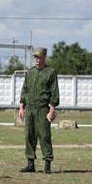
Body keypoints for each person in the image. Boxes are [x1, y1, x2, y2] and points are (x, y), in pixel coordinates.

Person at [18, 47, 60, 175]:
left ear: (44, 57)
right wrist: (21, 106)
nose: (37, 59)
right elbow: (25, 90)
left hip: (42, 108)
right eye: (35, 57)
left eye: (39, 57)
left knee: (44, 136)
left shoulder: (50, 72)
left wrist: (52, 110)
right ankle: (30, 164)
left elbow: (54, 92)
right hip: (30, 108)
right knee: (29, 135)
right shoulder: (30, 72)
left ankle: (47, 163)